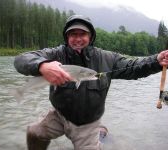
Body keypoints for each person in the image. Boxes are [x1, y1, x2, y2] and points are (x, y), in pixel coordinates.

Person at [14, 14, 168, 150]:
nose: (78, 38)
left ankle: (100, 133)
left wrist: (156, 61)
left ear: (91, 36)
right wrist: (43, 65)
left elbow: (133, 67)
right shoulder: (55, 54)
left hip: (87, 124)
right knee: (34, 133)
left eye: (83, 34)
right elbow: (21, 60)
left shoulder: (107, 58)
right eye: (73, 34)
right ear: (66, 37)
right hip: (59, 115)